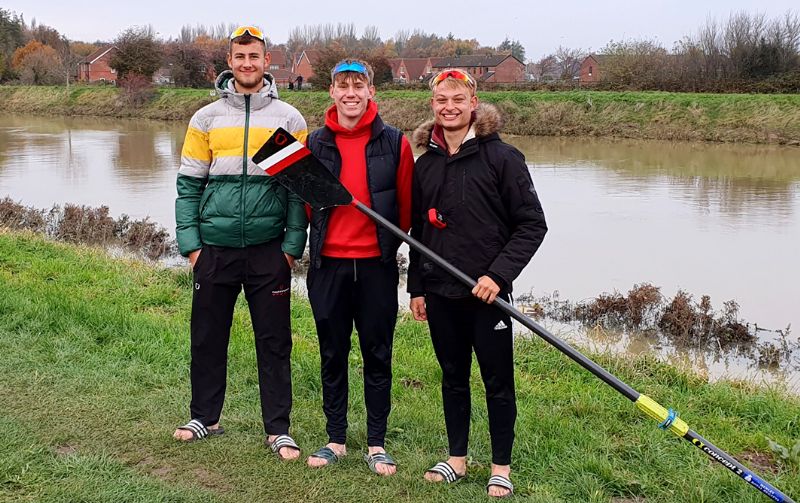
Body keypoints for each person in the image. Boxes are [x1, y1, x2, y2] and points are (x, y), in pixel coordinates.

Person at [408, 68, 547, 497]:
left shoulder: (503, 158)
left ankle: (500, 467)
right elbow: (418, 231)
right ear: (432, 105)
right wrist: (416, 287)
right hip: (439, 293)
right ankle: (457, 460)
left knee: (497, 382)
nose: (448, 107)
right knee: (453, 377)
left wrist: (498, 276)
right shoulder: (426, 164)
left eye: (457, 99)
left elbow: (531, 225)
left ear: (473, 103)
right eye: (440, 100)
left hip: (487, 297)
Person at [173, 25, 308, 461]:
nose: (247, 64)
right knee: (208, 336)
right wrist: (191, 245)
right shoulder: (205, 118)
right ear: (228, 63)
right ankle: (205, 417)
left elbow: (296, 191)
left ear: (268, 62)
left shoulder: (289, 118)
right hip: (214, 249)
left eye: (255, 57)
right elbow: (189, 186)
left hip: (270, 251)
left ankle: (278, 429)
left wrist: (291, 247)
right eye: (239, 56)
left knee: (274, 341)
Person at [304, 59, 414, 476]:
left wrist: (383, 246)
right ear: (331, 93)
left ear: (372, 92)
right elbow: (306, 204)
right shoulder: (315, 143)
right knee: (332, 352)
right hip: (329, 265)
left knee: (377, 354)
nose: (350, 92)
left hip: (375, 268)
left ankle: (375, 443)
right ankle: (335, 438)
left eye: (358, 85)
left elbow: (405, 209)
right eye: (342, 85)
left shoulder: (395, 142)